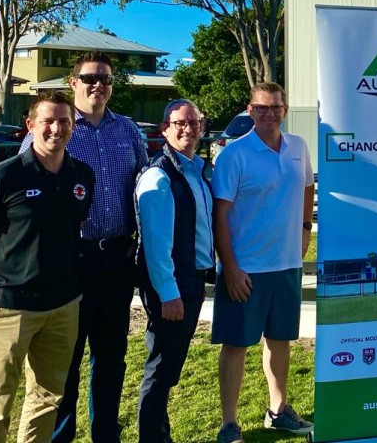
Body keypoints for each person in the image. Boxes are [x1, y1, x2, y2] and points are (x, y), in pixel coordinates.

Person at [0, 91, 94, 443]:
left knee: (47, 398)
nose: (56, 129)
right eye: (48, 121)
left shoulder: (81, 175)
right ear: (31, 126)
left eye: (64, 121)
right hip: (8, 308)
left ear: (73, 126)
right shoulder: (3, 177)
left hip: (62, 308)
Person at [20, 51, 148, 443]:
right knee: (66, 360)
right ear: (73, 82)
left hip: (117, 258)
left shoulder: (127, 130)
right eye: (90, 77)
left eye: (106, 79)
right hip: (70, 261)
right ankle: (61, 437)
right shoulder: (53, 129)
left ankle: (105, 434)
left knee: (111, 358)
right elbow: (25, 195)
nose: (98, 85)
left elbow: (144, 186)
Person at [212, 82, 315, 443]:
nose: (269, 114)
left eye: (275, 107)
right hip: (246, 269)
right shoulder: (233, 155)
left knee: (280, 339)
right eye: (261, 108)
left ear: (285, 110)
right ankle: (229, 423)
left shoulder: (298, 147)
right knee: (237, 344)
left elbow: (306, 186)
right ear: (249, 110)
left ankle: (278, 410)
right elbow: (220, 216)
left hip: (286, 265)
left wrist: (305, 228)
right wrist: (231, 268)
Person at [135, 99, 215, 443]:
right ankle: (151, 438)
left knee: (170, 366)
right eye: (179, 123)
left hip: (193, 279)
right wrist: (169, 294)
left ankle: (160, 433)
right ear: (165, 129)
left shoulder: (196, 169)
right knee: (161, 366)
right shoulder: (159, 177)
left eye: (194, 122)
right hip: (172, 286)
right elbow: (155, 246)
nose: (188, 128)